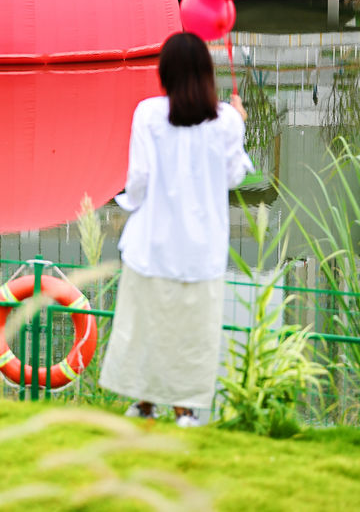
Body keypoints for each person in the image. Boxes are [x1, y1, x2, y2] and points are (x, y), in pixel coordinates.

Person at [99, 31, 252, 427]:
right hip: (201, 250)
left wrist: (128, 205)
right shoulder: (226, 121)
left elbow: (138, 179)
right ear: (206, 73)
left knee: (144, 325)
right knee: (192, 333)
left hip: (152, 242)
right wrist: (239, 120)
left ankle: (144, 404)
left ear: (163, 72)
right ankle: (185, 410)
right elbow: (234, 176)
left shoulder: (148, 114)